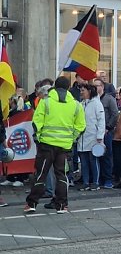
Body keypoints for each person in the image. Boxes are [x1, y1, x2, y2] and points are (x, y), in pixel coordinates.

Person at [24, 76, 86, 214]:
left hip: (46, 144)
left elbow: (36, 122)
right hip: (64, 146)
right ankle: (62, 205)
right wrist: (72, 138)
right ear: (68, 88)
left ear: (54, 87)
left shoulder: (45, 102)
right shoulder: (76, 104)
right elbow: (81, 126)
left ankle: (32, 203)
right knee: (61, 175)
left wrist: (38, 137)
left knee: (41, 174)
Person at [78, 83, 105, 191]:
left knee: (93, 160)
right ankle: (85, 182)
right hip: (82, 137)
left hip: (93, 136)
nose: (81, 92)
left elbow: (101, 120)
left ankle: (96, 182)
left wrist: (100, 135)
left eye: (83, 90)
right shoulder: (81, 104)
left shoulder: (96, 103)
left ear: (89, 91)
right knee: (84, 161)